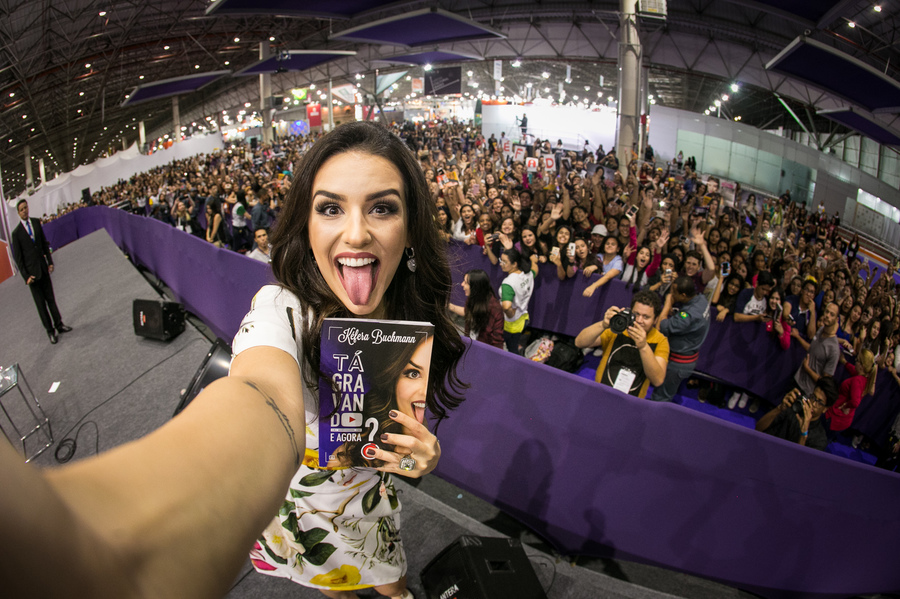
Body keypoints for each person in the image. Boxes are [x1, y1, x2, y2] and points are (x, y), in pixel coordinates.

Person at [232, 123, 468, 597]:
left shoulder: (412, 318)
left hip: (368, 502)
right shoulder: (281, 310)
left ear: (411, 225)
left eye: (382, 208)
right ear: (307, 223)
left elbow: (404, 420)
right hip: (298, 506)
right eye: (330, 208)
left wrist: (423, 456)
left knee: (392, 583)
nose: (356, 233)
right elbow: (253, 390)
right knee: (333, 586)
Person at [574, 290, 670, 398]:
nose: (639, 320)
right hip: (600, 392)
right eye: (636, 314)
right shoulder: (619, 327)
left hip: (631, 402)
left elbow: (657, 380)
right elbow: (579, 342)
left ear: (655, 320)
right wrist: (603, 324)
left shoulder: (660, 340)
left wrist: (643, 346)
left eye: (646, 317)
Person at [11, 199, 73, 343]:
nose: (25, 211)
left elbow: (44, 245)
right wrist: (26, 277)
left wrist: (50, 262)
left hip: (44, 270)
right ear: (18, 213)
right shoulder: (16, 234)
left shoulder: (36, 222)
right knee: (41, 305)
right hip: (33, 276)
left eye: (26, 207)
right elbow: (19, 260)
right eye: (21, 209)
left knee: (51, 300)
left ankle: (59, 325)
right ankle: (50, 331)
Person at [651, 276, 710, 402]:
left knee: (661, 396)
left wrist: (667, 305)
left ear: (683, 295)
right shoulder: (701, 299)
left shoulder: (688, 317)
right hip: (688, 356)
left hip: (677, 364)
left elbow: (660, 327)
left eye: (674, 292)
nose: (671, 294)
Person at [756, 377, 839, 451]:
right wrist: (779, 408)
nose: (813, 404)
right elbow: (758, 428)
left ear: (825, 409)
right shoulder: (793, 409)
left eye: (819, 403)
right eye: (813, 397)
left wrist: (803, 433)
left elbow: (798, 464)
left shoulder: (819, 439)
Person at [792, 302, 841, 398]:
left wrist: (807, 369)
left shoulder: (834, 350)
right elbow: (812, 349)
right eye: (827, 312)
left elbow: (824, 382)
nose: (827, 316)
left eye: (832, 314)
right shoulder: (820, 330)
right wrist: (798, 337)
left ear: (836, 319)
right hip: (796, 379)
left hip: (807, 391)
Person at [825, 349, 877, 435]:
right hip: (843, 420)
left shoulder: (857, 381)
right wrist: (845, 362)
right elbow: (853, 370)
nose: (855, 362)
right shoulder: (864, 378)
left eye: (857, 360)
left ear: (862, 366)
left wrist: (845, 406)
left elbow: (855, 402)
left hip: (836, 417)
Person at [449, 269, 504, 349]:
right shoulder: (471, 299)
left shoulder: (495, 309)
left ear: (476, 287)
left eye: (466, 283)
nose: (462, 284)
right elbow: (467, 313)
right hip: (470, 347)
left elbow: (497, 343)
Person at [499, 247, 538, 355]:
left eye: (505, 262)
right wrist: (534, 260)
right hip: (524, 318)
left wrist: (510, 314)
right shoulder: (528, 274)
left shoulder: (508, 283)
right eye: (500, 260)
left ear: (514, 264)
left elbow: (506, 307)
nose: (501, 263)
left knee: (512, 352)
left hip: (512, 325)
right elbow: (535, 269)